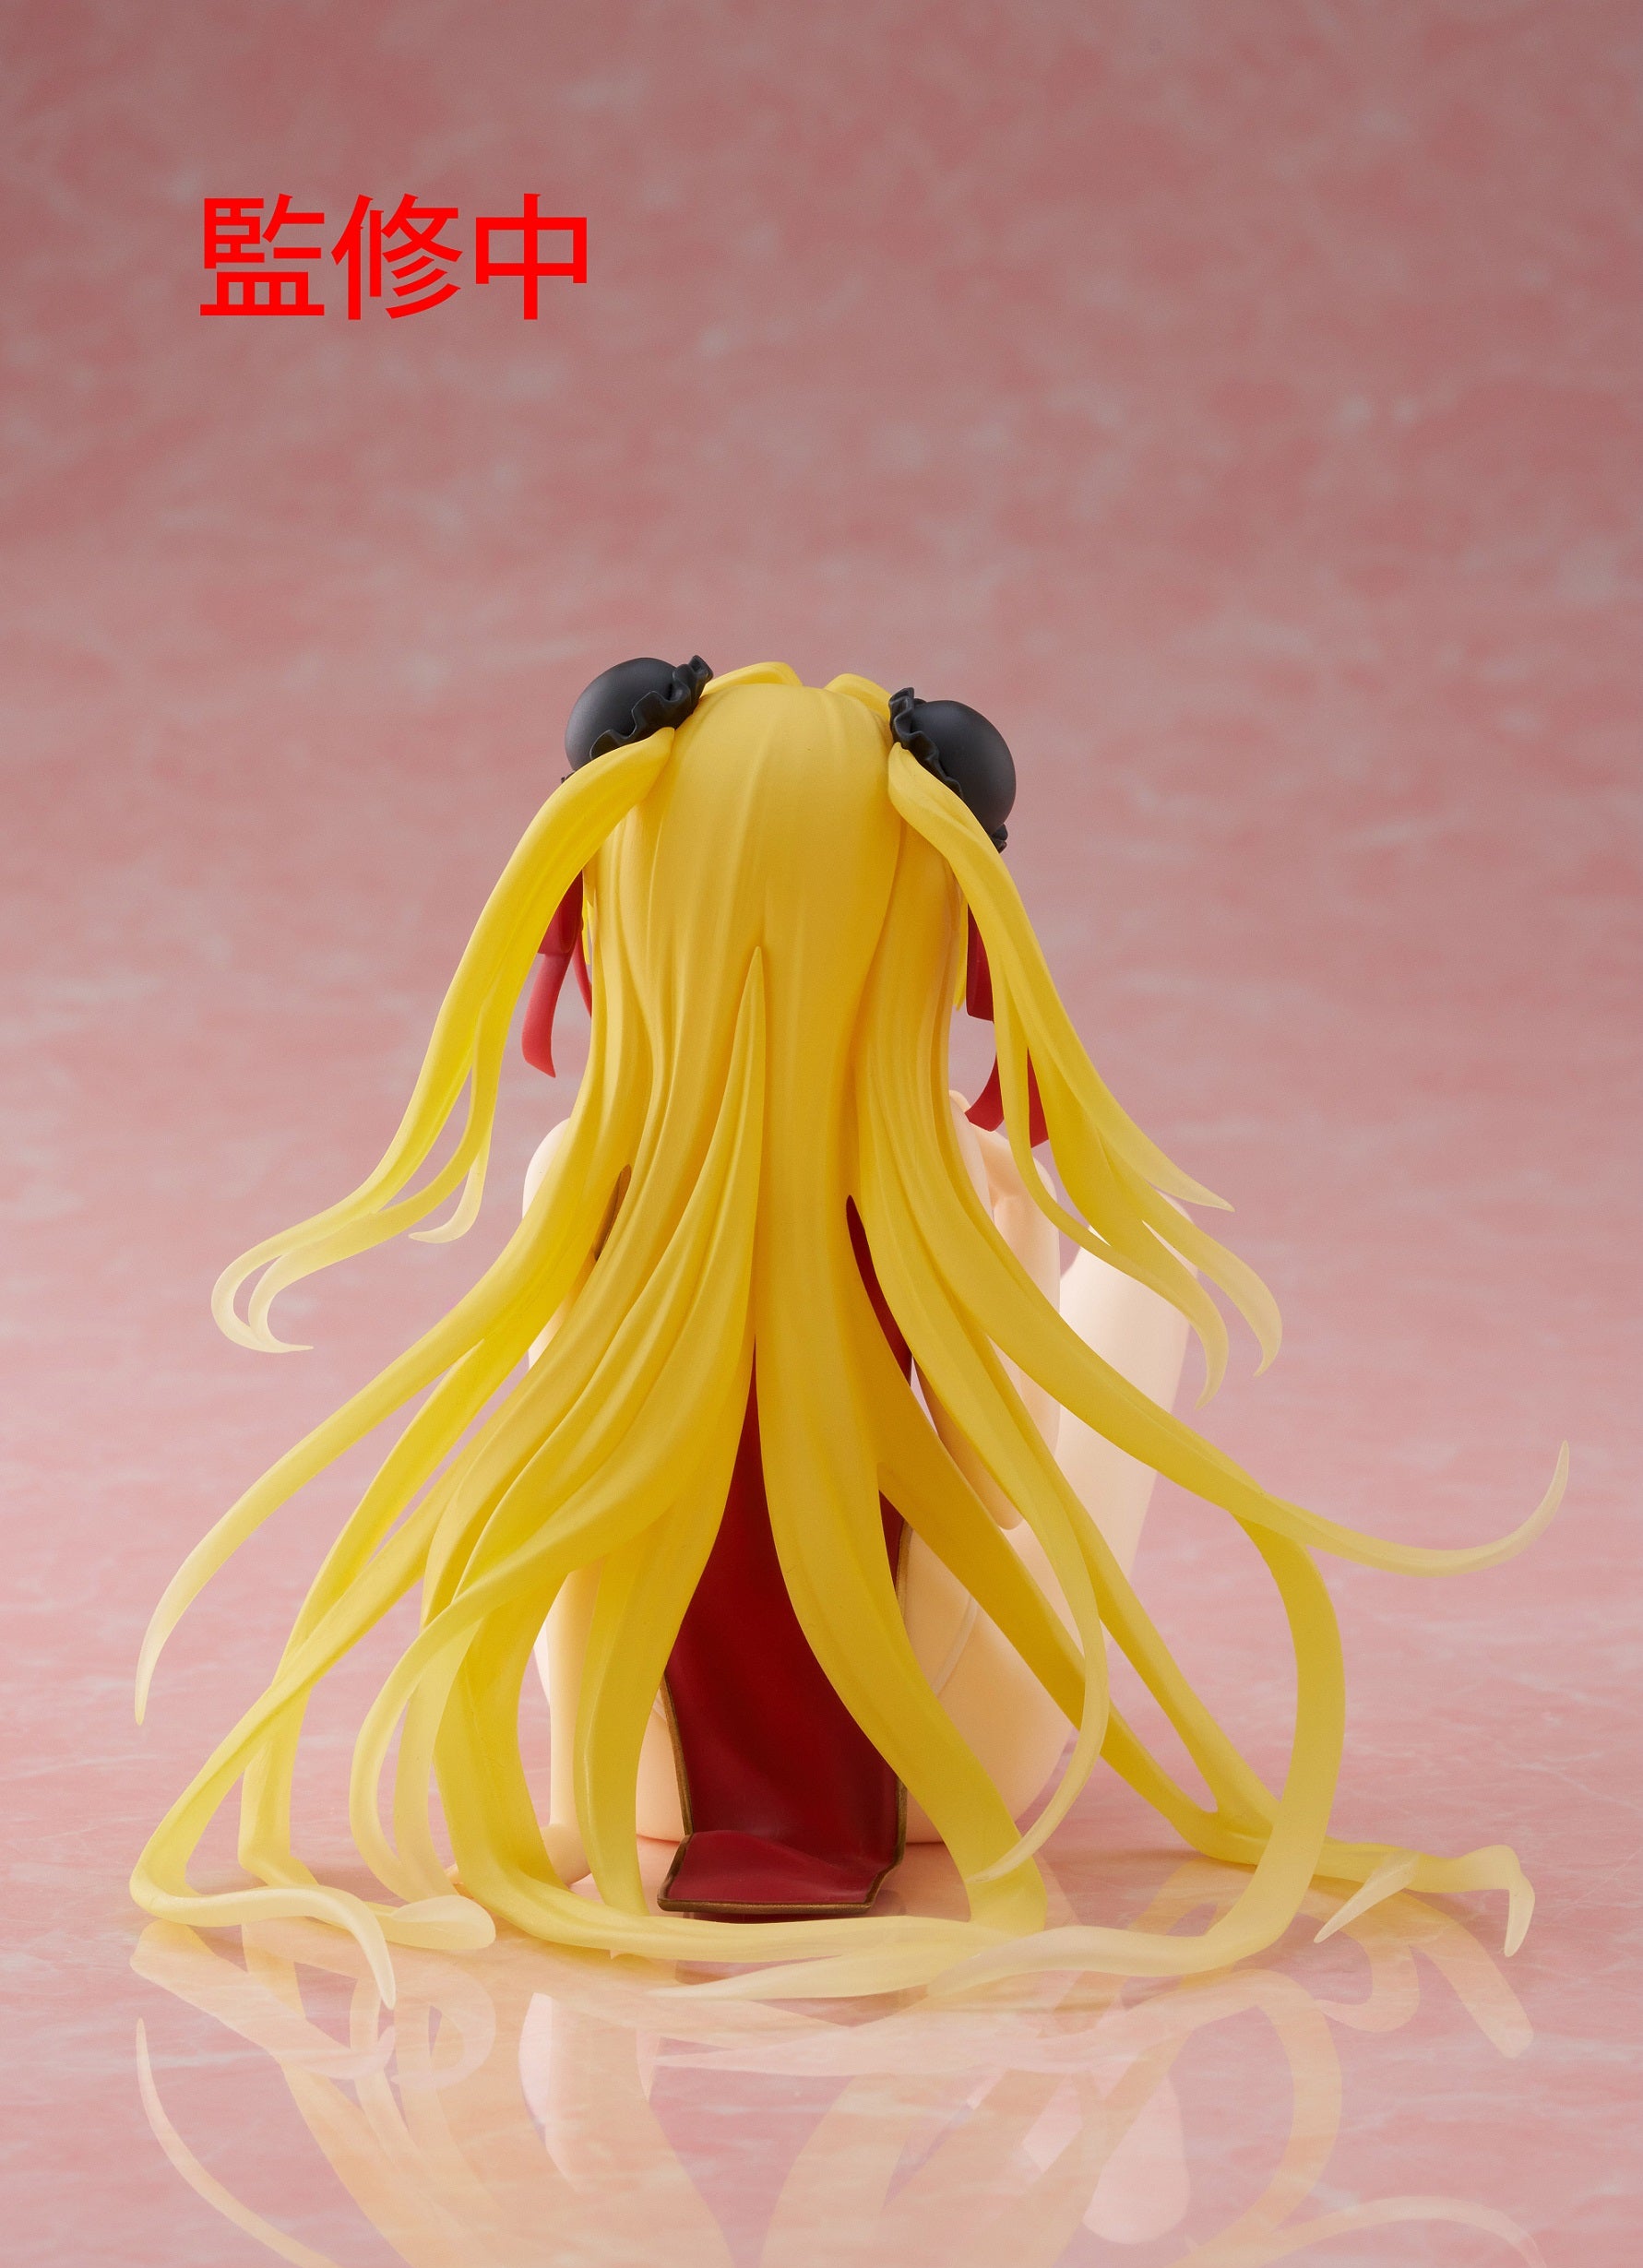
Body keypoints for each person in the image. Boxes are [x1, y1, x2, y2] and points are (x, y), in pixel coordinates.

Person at [132, 659, 1561, 2002]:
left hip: (632, 1768)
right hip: (939, 1767)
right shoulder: (958, 1182)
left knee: (562, 1466)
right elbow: (990, 1487)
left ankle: (587, 1803)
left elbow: (549, 1475)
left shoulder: (578, 1174)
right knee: (1133, 1303)